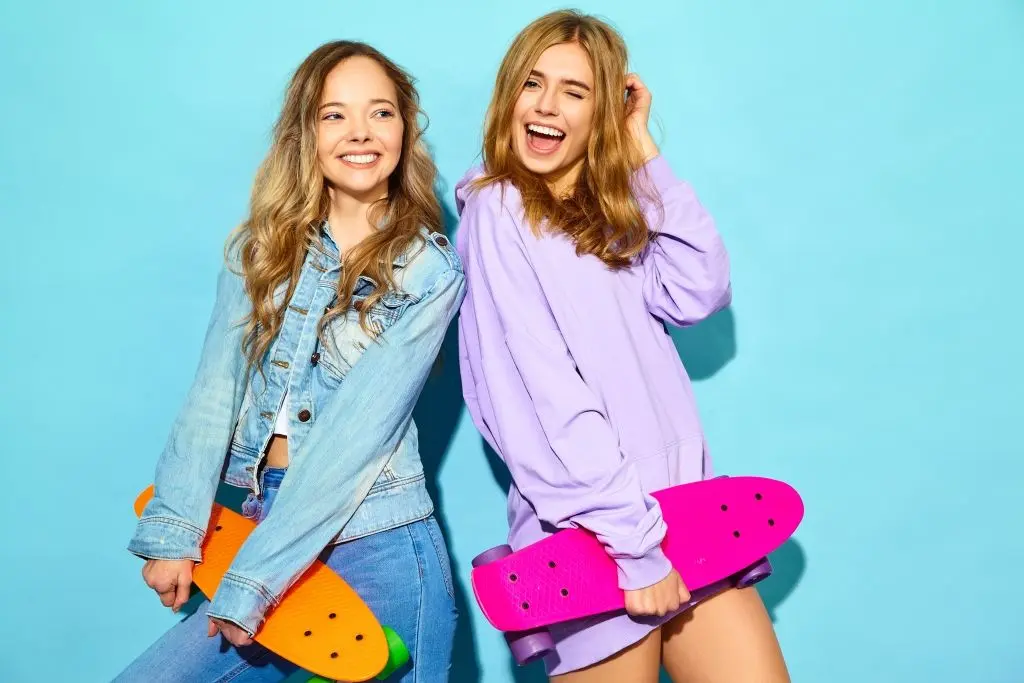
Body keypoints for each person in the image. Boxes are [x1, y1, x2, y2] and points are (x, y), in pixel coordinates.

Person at [454, 10, 790, 682]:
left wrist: (641, 153)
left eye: (575, 92)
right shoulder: (497, 212)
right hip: (595, 540)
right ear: (509, 96)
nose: (547, 106)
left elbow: (700, 292)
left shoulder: (610, 213)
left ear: (601, 111)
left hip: (686, 517)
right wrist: (636, 548)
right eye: (533, 83)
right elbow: (544, 403)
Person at [116, 40, 464, 683]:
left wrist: (255, 580)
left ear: (405, 129)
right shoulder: (264, 250)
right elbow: (213, 393)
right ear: (306, 132)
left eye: (381, 113)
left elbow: (352, 444)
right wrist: (176, 529)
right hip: (263, 523)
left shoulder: (429, 271)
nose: (360, 133)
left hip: (378, 548)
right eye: (335, 115)